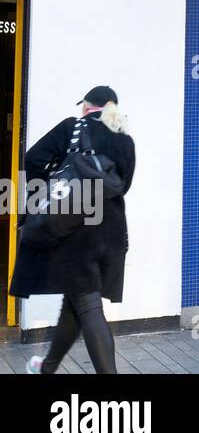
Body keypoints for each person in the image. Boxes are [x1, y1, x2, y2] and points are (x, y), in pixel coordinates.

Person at [14, 86, 136, 375]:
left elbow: (32, 159)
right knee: (77, 300)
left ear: (88, 107)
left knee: (87, 303)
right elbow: (124, 186)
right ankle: (47, 366)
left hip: (75, 231)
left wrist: (49, 192)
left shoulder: (72, 129)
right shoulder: (125, 139)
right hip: (112, 234)